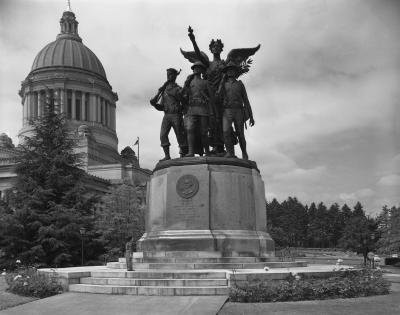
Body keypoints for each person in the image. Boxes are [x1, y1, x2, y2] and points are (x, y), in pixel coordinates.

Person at [217, 61, 255, 159]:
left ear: (235, 72)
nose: (230, 72)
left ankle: (244, 153)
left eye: (232, 70)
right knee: (226, 131)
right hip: (227, 111)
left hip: (238, 110)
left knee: (240, 134)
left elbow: (246, 100)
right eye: (228, 70)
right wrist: (221, 81)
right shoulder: (223, 84)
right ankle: (230, 152)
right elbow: (218, 96)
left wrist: (251, 116)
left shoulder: (240, 84)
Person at [150, 68, 186, 161]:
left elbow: (184, 102)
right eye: (168, 75)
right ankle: (167, 155)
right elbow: (161, 106)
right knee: (162, 135)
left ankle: (183, 153)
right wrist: (155, 105)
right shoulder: (164, 90)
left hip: (176, 115)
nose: (168, 76)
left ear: (174, 76)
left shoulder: (178, 89)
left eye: (170, 75)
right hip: (167, 115)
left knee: (179, 135)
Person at [182, 61, 214, 157]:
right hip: (191, 109)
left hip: (203, 109)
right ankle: (191, 152)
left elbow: (211, 98)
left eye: (198, 67)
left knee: (204, 132)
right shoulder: (189, 82)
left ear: (201, 70)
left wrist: (211, 110)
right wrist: (186, 84)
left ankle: (207, 152)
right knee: (190, 129)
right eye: (195, 67)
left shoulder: (205, 82)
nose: (196, 69)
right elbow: (183, 95)